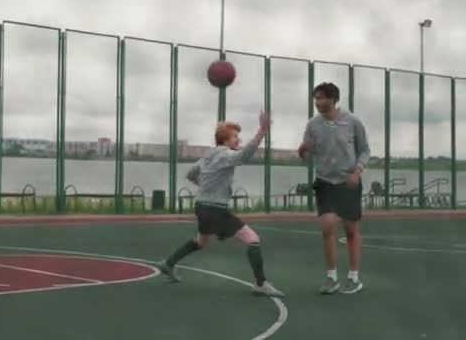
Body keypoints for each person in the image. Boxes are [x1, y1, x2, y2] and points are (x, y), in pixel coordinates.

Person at [157, 111, 284, 297]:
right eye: (235, 137)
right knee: (252, 239)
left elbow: (191, 174)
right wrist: (262, 131)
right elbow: (244, 156)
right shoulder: (225, 155)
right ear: (224, 140)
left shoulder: (207, 156)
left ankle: (168, 264)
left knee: (201, 241)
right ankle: (260, 283)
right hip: (215, 209)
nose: (238, 141)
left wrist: (205, 187)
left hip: (201, 207)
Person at [298, 82, 370, 295]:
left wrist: (357, 171)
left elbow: (365, 150)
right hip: (325, 182)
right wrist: (304, 152)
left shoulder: (353, 121)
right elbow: (309, 153)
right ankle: (331, 277)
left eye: (321, 98)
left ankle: (354, 277)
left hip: (348, 182)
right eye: (315, 99)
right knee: (328, 226)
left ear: (333, 99)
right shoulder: (312, 125)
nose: (317, 102)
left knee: (350, 231)